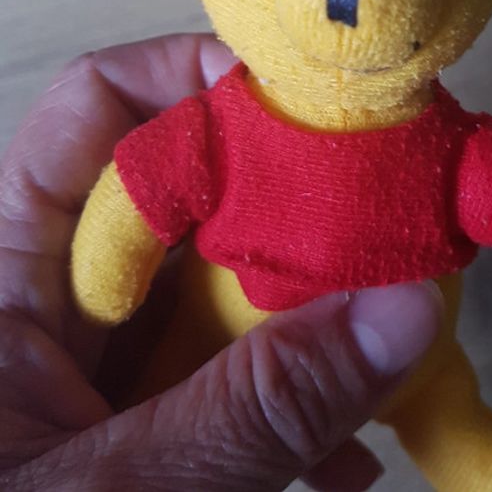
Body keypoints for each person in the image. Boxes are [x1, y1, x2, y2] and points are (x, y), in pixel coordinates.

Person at [0, 33, 442, 491]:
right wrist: (102, 288)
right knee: (152, 399)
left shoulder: (446, 140)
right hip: (209, 337)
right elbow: (144, 186)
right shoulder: (220, 125)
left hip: (424, 369)